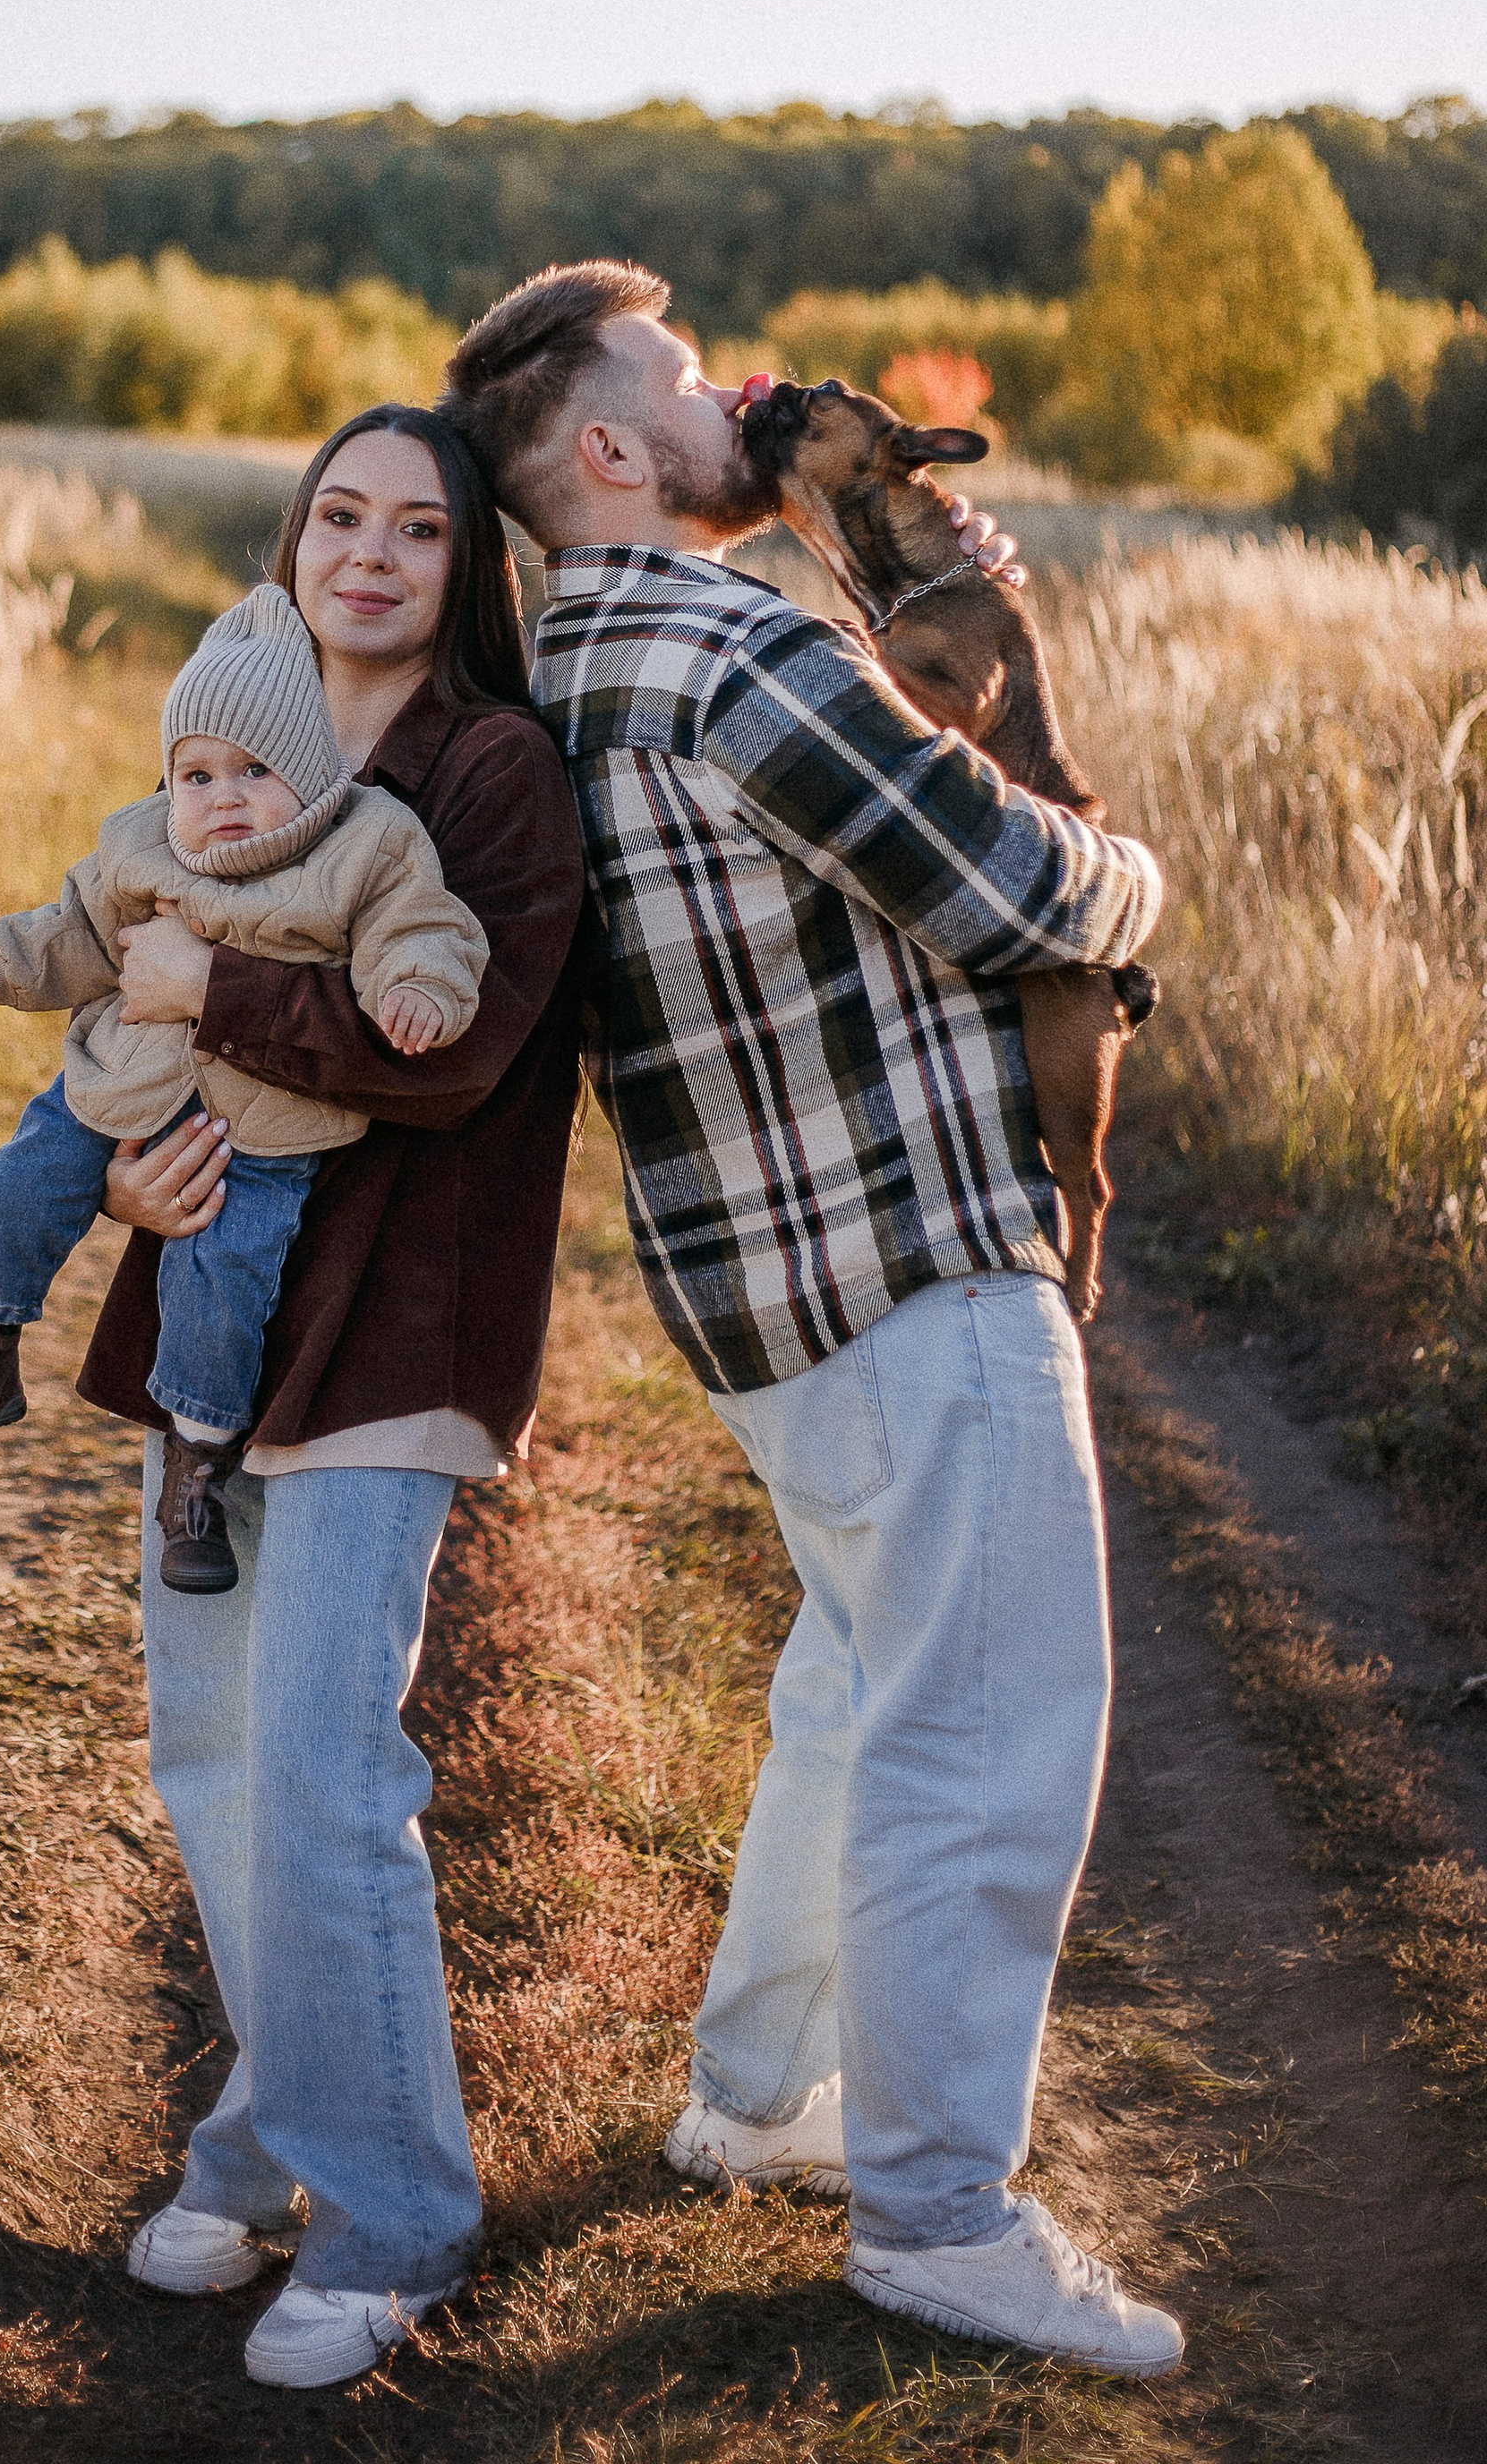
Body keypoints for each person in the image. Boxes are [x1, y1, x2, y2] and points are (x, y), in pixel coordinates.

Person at [441, 260, 1185, 2383]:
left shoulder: (583, 654)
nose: (720, 395)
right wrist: (1130, 879)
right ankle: (939, 2210)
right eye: (675, 379)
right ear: (602, 447)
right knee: (987, 1718)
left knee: (865, 1680)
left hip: (758, 1292)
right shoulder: (723, 639)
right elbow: (1014, 887)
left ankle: (760, 2091)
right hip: (905, 1260)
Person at [71, 405, 588, 2391]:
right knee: (209, 1757)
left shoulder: (494, 773)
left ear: (466, 571)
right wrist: (125, 1151)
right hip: (212, 1305)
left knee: (316, 1770)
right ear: (294, 537)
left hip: (402, 1323)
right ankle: (258, 2144)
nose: (366, 554)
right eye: (336, 515)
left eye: (417, 529)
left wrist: (219, 999)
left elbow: (444, 1062)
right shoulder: (238, 729)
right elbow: (128, 982)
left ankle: (388, 2216)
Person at [0, 583, 487, 1597]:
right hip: (120, 1081)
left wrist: (417, 987)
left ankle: (196, 1475)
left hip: (266, 1127)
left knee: (224, 1280)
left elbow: (419, 930)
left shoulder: (367, 845)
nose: (224, 796)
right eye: (196, 773)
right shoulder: (146, 841)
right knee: (25, 1176)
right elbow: (70, 931)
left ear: (314, 770)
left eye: (256, 769)